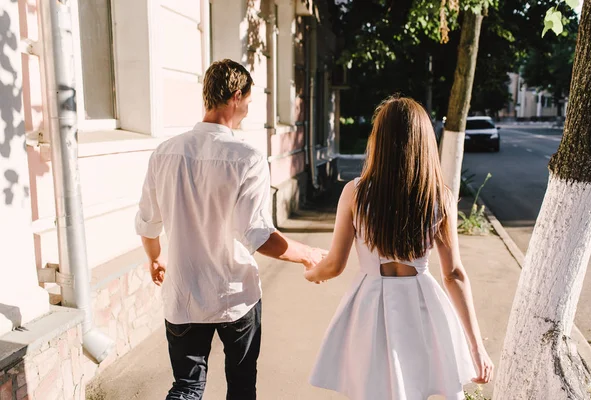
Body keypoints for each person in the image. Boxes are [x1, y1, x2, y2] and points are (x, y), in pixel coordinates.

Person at [135, 59, 326, 400]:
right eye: (249, 103)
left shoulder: (164, 153)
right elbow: (257, 235)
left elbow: (148, 222)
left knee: (186, 387)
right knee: (241, 386)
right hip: (234, 295)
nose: (248, 112)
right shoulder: (247, 157)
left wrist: (155, 258)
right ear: (236, 96)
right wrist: (308, 254)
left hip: (183, 295)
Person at [305, 96, 494, 400]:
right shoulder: (439, 197)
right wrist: (476, 345)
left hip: (369, 306)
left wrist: (312, 273)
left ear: (379, 139)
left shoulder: (355, 193)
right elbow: (454, 274)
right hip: (422, 304)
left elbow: (335, 264)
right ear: (424, 141)